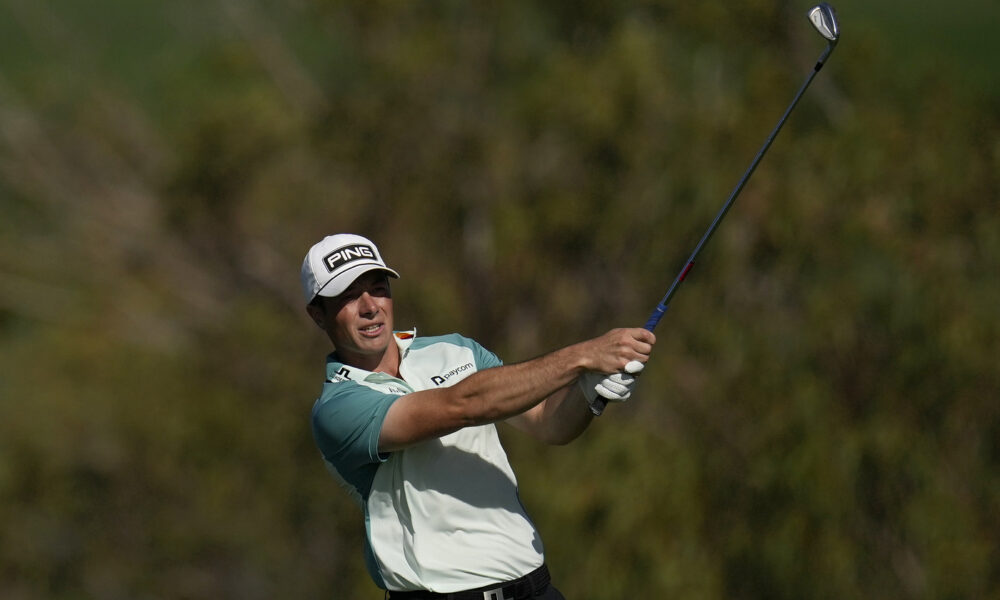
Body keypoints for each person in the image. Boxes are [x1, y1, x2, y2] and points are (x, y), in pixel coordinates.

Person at [302, 233, 656, 599]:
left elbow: (548, 423)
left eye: (378, 289)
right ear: (318, 315)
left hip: (535, 587)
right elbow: (463, 406)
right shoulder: (337, 408)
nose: (369, 307)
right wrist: (581, 357)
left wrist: (587, 389)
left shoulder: (457, 350)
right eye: (348, 297)